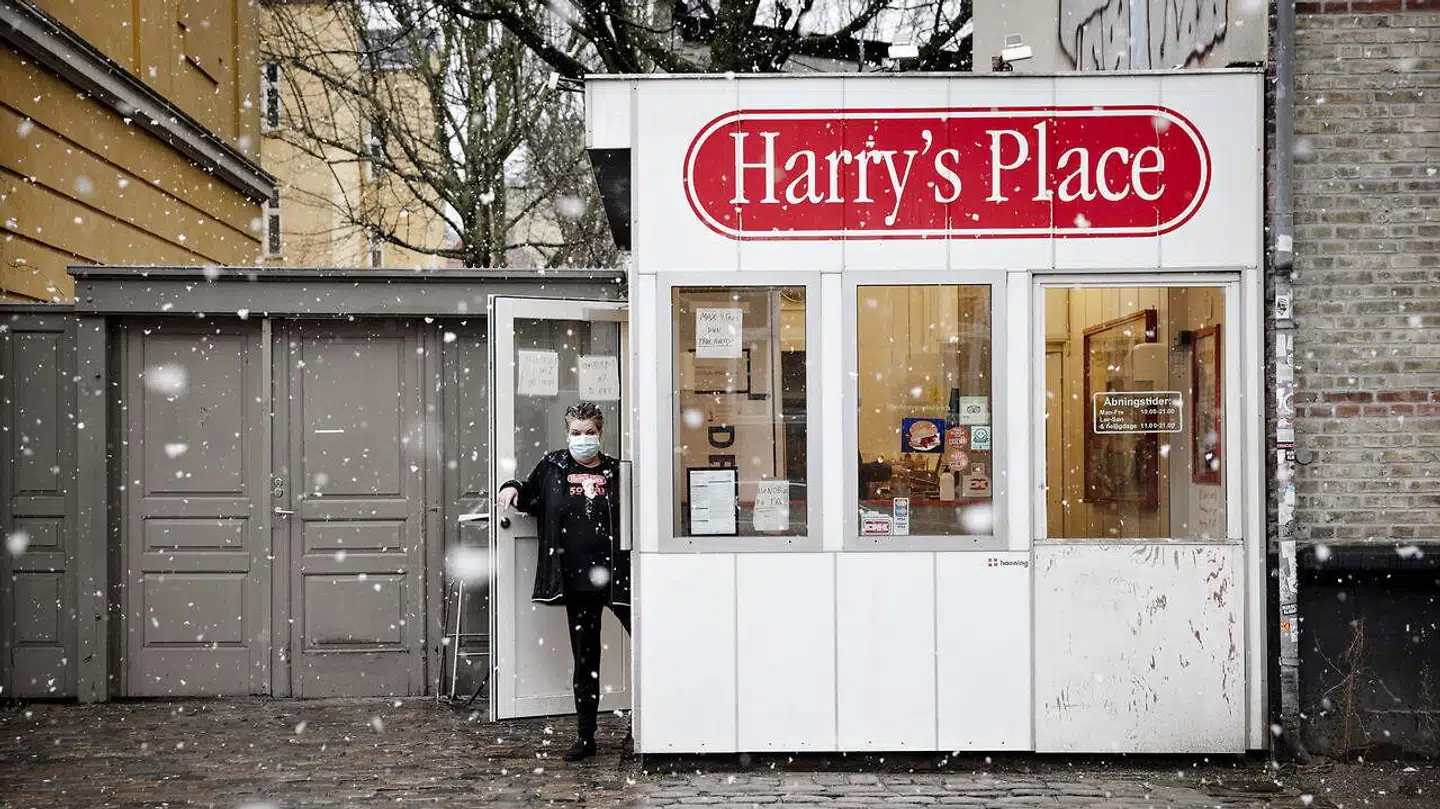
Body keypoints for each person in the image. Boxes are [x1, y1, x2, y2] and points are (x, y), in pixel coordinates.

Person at [495, 401, 631, 762]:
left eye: (589, 433)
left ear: (601, 434)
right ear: (566, 433)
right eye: (576, 433)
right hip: (576, 581)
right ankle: (586, 737)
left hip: (619, 578)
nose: (582, 439)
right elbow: (528, 491)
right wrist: (511, 486)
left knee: (649, 648)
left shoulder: (619, 472)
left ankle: (649, 724)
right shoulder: (554, 466)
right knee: (585, 660)